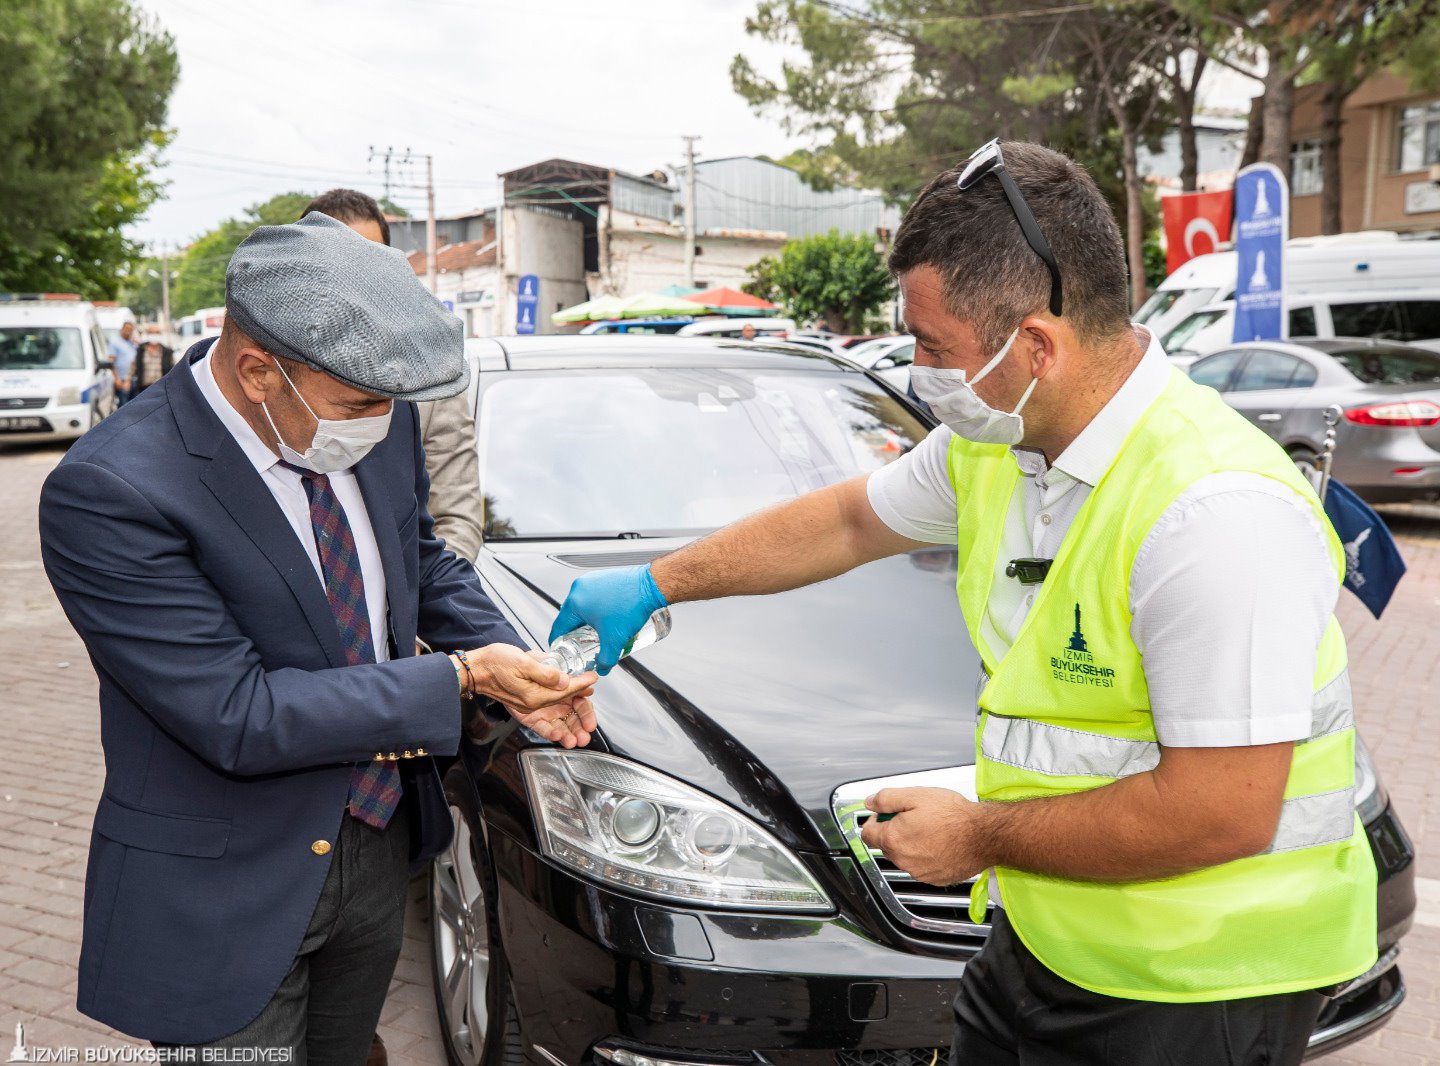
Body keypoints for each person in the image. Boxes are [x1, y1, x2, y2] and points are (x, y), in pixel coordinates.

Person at [548, 141, 1377, 1065]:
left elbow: (1224, 811)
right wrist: (660, 582)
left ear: (1036, 345)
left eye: (934, 347)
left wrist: (981, 836)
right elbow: (850, 521)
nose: (915, 368)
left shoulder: (1215, 513)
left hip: (1202, 981)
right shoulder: (1004, 439)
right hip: (1045, 938)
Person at [40, 212, 598, 1063]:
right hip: (224, 884)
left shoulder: (371, 421)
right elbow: (237, 714)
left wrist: (519, 662)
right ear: (259, 371)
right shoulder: (112, 489)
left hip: (375, 847)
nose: (375, 426)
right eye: (357, 406)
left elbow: (418, 564)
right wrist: (460, 679)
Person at [301, 188, 483, 560]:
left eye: (370, 263)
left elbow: (457, 520)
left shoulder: (431, 378)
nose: (355, 283)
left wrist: (411, 602)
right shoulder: (270, 370)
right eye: (337, 265)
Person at [130, 327, 174, 393]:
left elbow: (172, 368)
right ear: (148, 334)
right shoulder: (141, 349)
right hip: (143, 387)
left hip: (161, 388)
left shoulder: (167, 351)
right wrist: (127, 380)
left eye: (157, 333)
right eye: (151, 333)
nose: (154, 335)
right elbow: (133, 366)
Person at [106, 320, 138, 403]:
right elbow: (111, 362)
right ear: (122, 329)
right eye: (126, 329)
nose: (128, 331)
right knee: (124, 407)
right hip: (122, 380)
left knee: (134, 407)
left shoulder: (133, 343)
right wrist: (117, 379)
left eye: (130, 330)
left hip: (134, 380)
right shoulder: (115, 342)